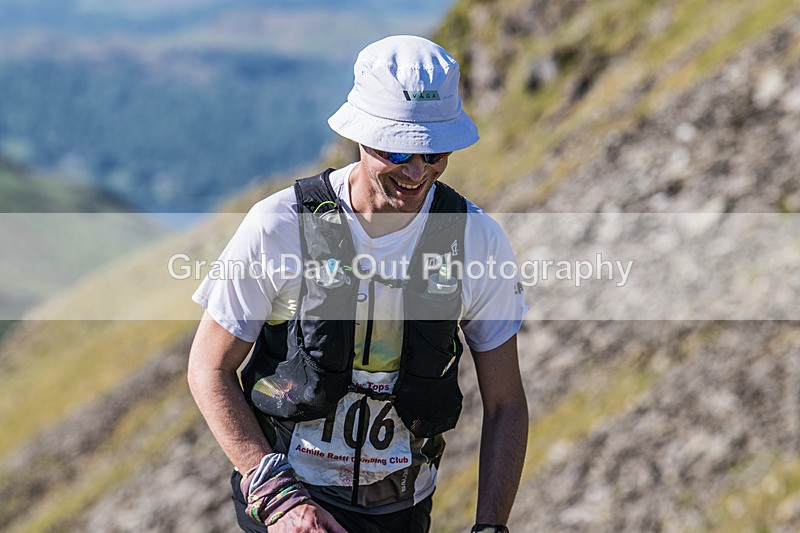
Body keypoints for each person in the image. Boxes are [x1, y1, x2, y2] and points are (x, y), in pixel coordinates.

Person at [187, 35, 528, 533]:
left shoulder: (476, 239)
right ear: (361, 137)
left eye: (435, 152)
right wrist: (278, 500)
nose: (417, 171)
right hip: (290, 502)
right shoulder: (280, 225)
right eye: (398, 150)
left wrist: (491, 526)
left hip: (404, 511)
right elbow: (207, 369)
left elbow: (506, 403)